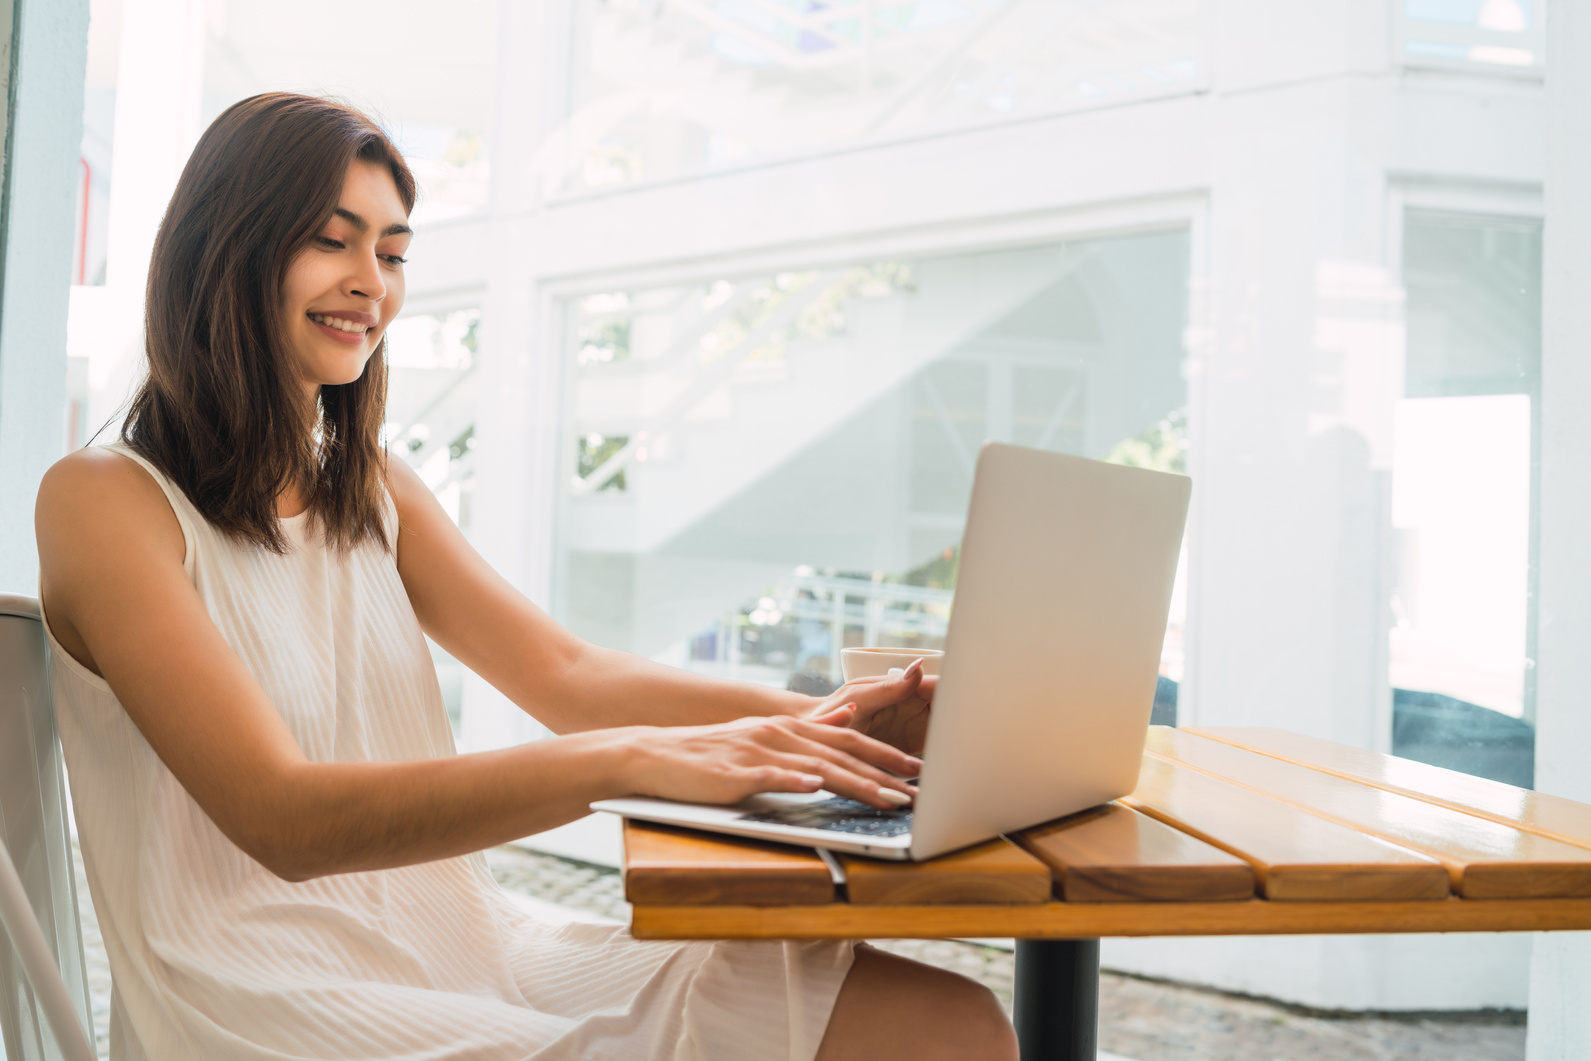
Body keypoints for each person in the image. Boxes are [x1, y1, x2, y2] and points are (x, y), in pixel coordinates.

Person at [35, 93, 1018, 1060]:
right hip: (264, 996)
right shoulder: (105, 500)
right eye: (333, 241)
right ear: (228, 249)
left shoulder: (367, 484)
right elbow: (283, 815)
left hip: (458, 941)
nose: (370, 283)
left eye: (392, 252)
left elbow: (568, 676)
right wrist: (624, 763)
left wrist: (822, 723)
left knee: (952, 1019)